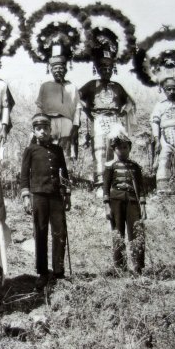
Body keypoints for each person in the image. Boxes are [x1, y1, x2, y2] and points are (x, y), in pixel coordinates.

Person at [20, 114, 71, 288]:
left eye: (45, 128)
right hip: (39, 196)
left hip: (56, 196)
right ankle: (42, 272)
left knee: (59, 232)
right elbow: (24, 175)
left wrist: (67, 194)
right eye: (38, 129)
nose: (42, 131)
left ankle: (58, 271)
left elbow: (64, 173)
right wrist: (26, 196)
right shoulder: (30, 150)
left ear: (50, 130)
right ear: (34, 131)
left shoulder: (58, 150)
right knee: (40, 233)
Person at [78, 50, 136, 195]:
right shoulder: (92, 84)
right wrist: (86, 111)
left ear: (113, 69)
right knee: (99, 151)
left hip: (115, 120)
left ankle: (115, 182)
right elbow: (76, 96)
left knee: (115, 150)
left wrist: (123, 111)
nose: (106, 70)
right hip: (98, 119)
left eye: (109, 68)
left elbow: (129, 102)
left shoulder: (117, 86)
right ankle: (100, 184)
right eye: (102, 67)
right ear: (97, 69)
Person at [102, 129, 146, 274]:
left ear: (129, 148)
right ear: (114, 149)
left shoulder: (135, 167)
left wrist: (143, 205)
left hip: (133, 202)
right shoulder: (110, 167)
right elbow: (106, 188)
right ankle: (120, 267)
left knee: (136, 231)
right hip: (116, 202)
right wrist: (107, 207)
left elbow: (140, 187)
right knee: (117, 232)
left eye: (125, 147)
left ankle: (138, 266)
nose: (122, 150)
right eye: (119, 147)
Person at [35, 44, 80, 158]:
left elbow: (78, 108)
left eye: (60, 68)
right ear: (51, 70)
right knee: (49, 151)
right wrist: (37, 122)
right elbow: (39, 106)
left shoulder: (72, 86)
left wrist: (75, 125)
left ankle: (65, 174)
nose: (58, 71)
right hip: (49, 122)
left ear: (65, 69)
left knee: (65, 152)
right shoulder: (45, 86)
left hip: (67, 122)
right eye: (55, 68)